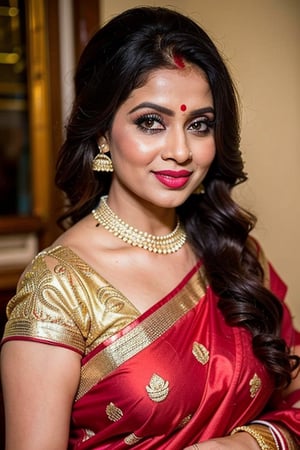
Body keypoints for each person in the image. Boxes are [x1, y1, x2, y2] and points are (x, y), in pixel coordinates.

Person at [0, 6, 299, 450]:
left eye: (199, 125)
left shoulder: (236, 255)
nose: (180, 150)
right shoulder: (58, 289)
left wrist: (246, 444)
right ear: (103, 133)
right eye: (150, 122)